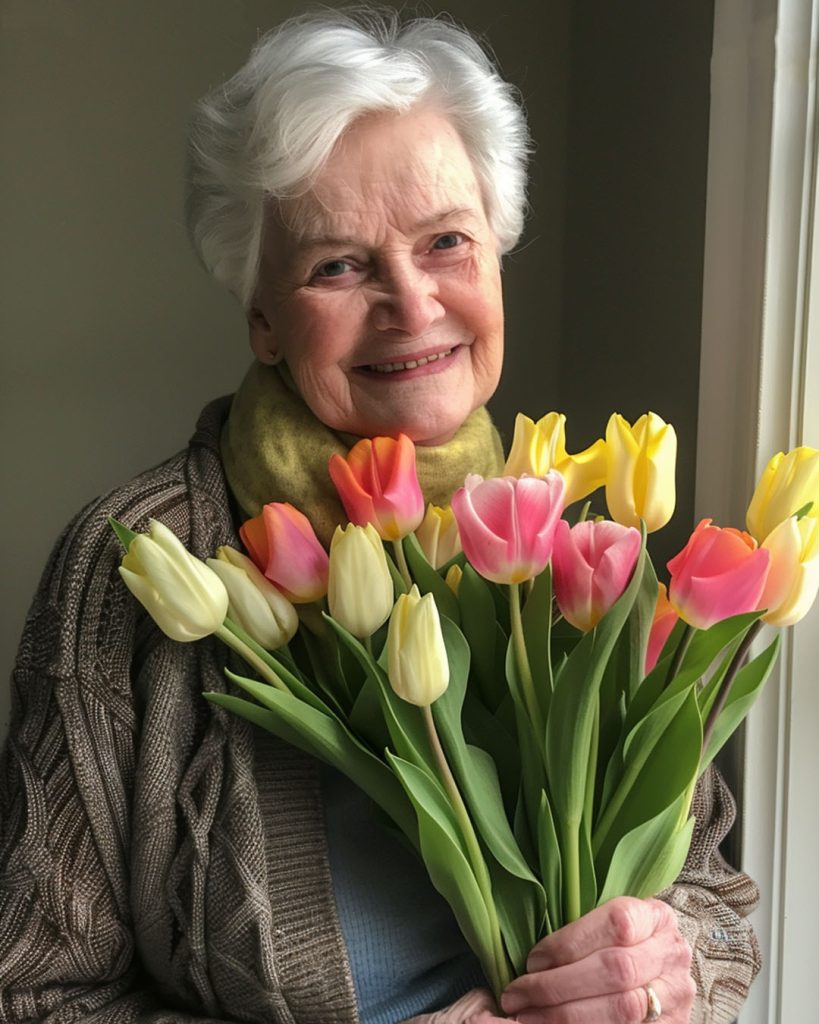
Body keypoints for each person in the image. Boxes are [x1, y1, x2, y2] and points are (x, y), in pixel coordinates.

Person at [0, 10, 760, 1024]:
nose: (411, 301)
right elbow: (35, 992)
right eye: (339, 266)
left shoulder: (580, 544)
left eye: (447, 240)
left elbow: (711, 894)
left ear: (496, 255)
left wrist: (671, 965)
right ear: (263, 317)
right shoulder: (138, 561)